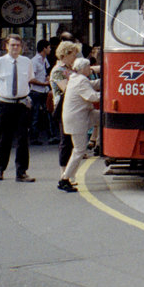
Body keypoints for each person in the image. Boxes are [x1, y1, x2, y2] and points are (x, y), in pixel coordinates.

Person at [0, 35, 35, 182]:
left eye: (18, 45)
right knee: (5, 138)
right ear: (6, 46)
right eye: (12, 45)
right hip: (5, 104)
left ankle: (21, 172)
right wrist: (1, 94)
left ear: (21, 47)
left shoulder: (26, 62)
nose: (15, 48)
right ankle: (0, 169)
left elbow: (28, 80)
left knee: (23, 138)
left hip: (21, 104)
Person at [57, 55, 100, 192]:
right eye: (88, 67)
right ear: (83, 68)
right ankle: (65, 179)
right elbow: (92, 96)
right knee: (79, 150)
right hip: (78, 120)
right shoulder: (81, 81)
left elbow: (92, 84)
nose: (90, 69)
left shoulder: (76, 78)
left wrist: (106, 81)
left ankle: (96, 140)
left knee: (101, 118)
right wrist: (108, 93)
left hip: (78, 117)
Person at [49, 41, 77, 169]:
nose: (75, 58)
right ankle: (63, 173)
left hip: (72, 106)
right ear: (65, 54)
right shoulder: (58, 71)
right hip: (63, 107)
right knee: (65, 140)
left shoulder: (70, 69)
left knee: (72, 141)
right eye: (73, 55)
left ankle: (69, 173)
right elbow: (66, 88)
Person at [28, 38, 54, 144]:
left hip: (44, 90)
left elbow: (46, 72)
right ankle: (34, 137)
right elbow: (31, 79)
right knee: (35, 115)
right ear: (44, 48)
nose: (50, 49)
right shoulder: (34, 61)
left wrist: (47, 78)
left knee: (47, 113)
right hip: (36, 91)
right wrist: (44, 83)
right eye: (49, 47)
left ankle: (51, 136)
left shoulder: (44, 60)